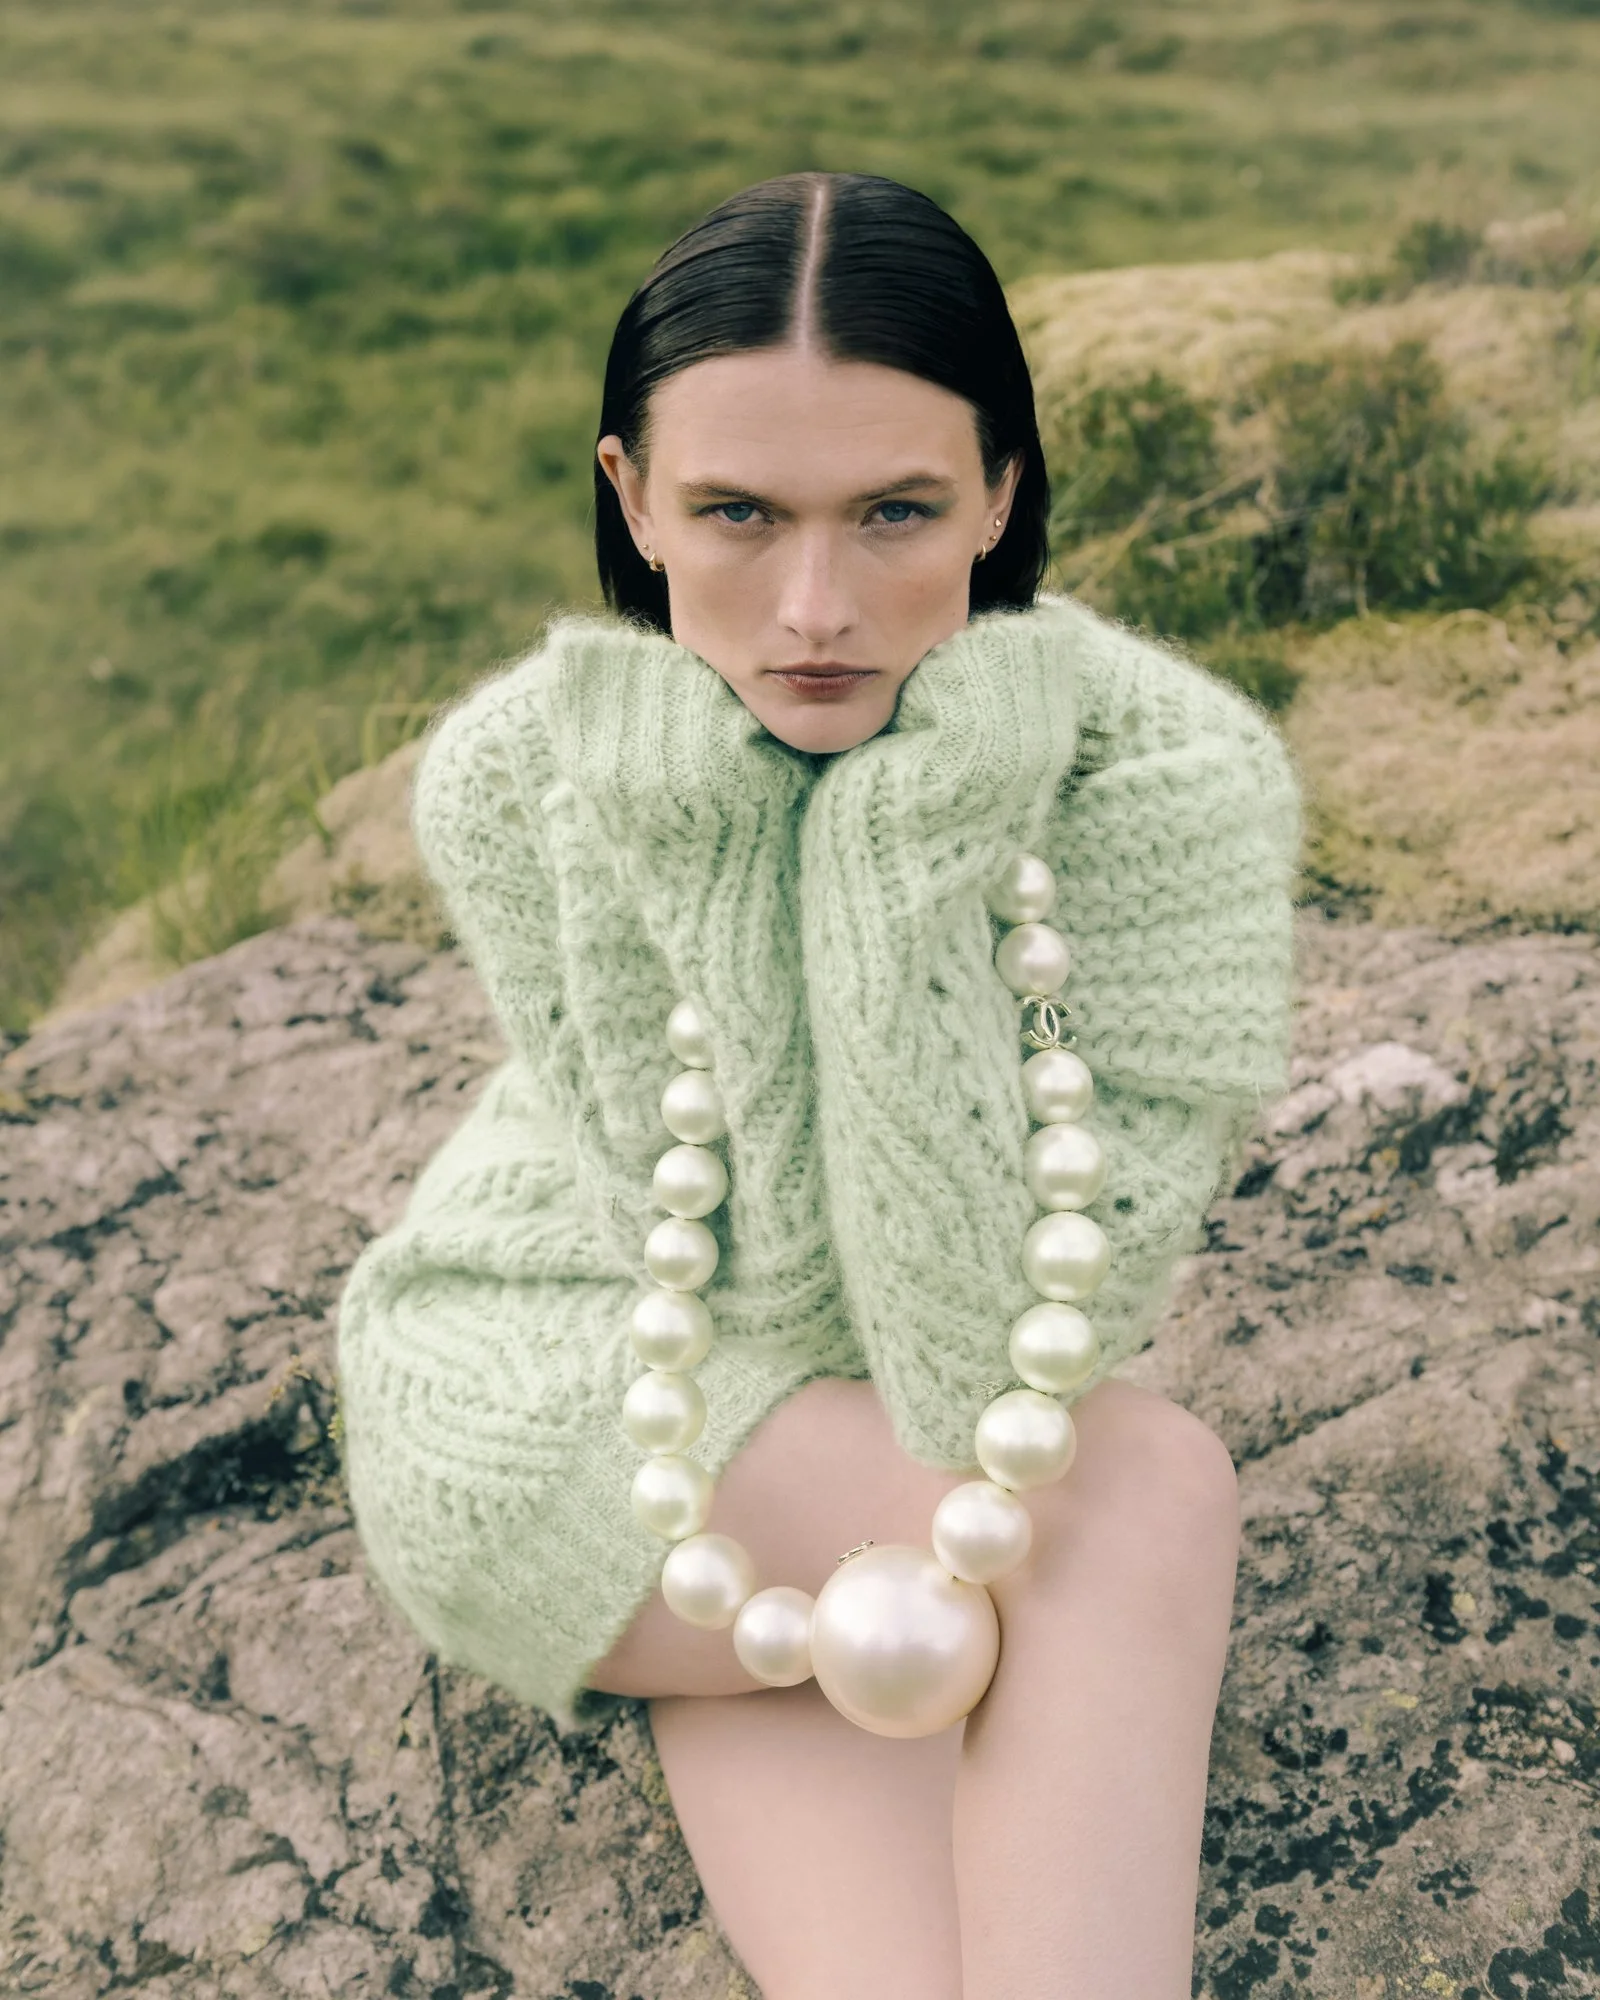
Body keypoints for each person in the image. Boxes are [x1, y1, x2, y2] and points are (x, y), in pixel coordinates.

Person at [335, 171, 1303, 1999]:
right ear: (628, 494)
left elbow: (979, 1351)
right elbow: (773, 1293)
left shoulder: (1174, 786)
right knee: (1145, 1491)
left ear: (1002, 489)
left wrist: (904, 844)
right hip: (579, 1384)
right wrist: (737, 852)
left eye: (895, 514)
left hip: (848, 1472)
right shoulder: (525, 781)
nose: (811, 607)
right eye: (733, 513)